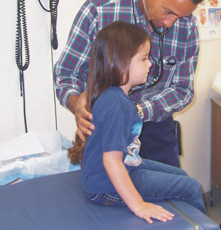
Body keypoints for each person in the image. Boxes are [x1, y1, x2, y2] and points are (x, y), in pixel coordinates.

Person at [54, 0, 206, 167]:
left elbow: (182, 90)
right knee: (106, 193)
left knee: (169, 195)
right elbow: (66, 74)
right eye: (168, 12)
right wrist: (76, 104)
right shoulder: (99, 10)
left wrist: (137, 111)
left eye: (181, 16)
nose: (171, 23)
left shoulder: (186, 27)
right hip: (104, 127)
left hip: (156, 129)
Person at [68, 21, 206, 224]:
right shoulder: (117, 105)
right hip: (105, 187)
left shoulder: (112, 95)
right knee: (191, 187)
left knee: (181, 174)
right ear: (121, 63)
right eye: (143, 59)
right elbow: (111, 161)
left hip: (125, 167)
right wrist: (138, 205)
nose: (150, 64)